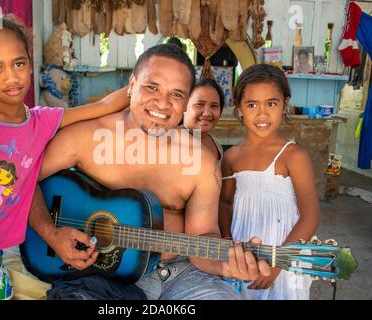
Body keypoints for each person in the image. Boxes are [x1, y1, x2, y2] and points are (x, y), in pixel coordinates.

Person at [29, 44, 270, 300]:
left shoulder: (201, 161)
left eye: (176, 94)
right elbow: (22, 180)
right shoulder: (84, 137)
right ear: (131, 85)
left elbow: (201, 239)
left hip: (177, 274)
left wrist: (227, 264)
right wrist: (50, 233)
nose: (162, 103)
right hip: (99, 275)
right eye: (152, 87)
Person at [0, 15, 129, 300]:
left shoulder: (41, 123)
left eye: (18, 63)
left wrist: (147, 83)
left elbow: (105, 105)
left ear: (30, 64)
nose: (11, 76)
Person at [220, 64, 319, 300]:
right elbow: (225, 202)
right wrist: (225, 244)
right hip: (242, 255)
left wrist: (278, 263)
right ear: (240, 108)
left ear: (285, 103)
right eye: (252, 104)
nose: (262, 114)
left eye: (271, 104)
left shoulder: (293, 156)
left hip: (284, 255)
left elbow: (311, 217)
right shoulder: (232, 156)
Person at [183, 78, 224, 160]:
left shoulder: (214, 143)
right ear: (183, 106)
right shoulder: (172, 144)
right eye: (199, 104)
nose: (207, 113)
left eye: (214, 106)